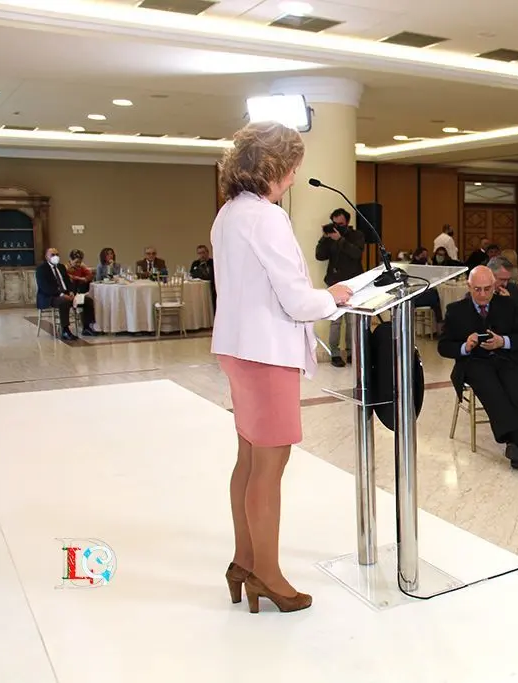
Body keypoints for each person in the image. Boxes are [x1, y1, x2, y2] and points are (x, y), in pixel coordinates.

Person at [210, 121, 353, 614]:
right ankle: (267, 577)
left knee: (249, 461)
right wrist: (333, 297)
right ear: (273, 166)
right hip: (266, 352)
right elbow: (295, 300)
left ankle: (243, 562)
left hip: (238, 347)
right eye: (291, 167)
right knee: (269, 469)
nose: (293, 177)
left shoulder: (228, 213)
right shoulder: (266, 217)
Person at [438, 266, 518, 469]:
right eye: (477, 289)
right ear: (469, 286)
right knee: (489, 384)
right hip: (474, 362)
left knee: (511, 383)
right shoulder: (455, 310)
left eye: (487, 289)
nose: (482, 294)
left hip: (506, 358)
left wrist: (503, 341)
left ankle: (514, 442)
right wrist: (465, 346)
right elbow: (443, 347)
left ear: (494, 286)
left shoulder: (507, 304)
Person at [315, 208, 365, 367]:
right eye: (335, 223)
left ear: (347, 222)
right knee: (335, 321)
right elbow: (319, 256)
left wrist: (341, 240)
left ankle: (351, 352)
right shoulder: (330, 237)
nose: (337, 227)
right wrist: (324, 238)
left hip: (353, 283)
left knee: (351, 321)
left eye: (341, 224)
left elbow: (356, 254)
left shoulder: (356, 235)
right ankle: (335, 354)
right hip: (334, 283)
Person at [35, 247, 98, 339]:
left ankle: (86, 327)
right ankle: (65, 330)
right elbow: (45, 287)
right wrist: (61, 295)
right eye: (52, 255)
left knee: (87, 300)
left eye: (57, 254)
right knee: (64, 302)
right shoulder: (41, 269)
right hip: (50, 296)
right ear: (46, 257)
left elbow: (68, 282)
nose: (55, 257)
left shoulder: (61, 267)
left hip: (66, 294)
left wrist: (71, 291)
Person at [190, 244, 216, 309]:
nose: (202, 255)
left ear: (207, 252)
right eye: (199, 253)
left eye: (203, 253)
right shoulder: (195, 263)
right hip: (198, 290)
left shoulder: (213, 263)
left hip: (212, 289)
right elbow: (192, 275)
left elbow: (212, 276)